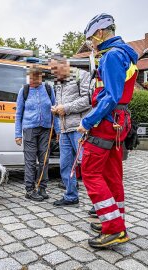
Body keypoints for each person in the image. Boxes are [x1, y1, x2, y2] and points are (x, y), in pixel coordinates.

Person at [77, 13, 139, 248]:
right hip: (118, 122)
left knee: (90, 171)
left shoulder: (111, 56)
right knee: (113, 174)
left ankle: (113, 229)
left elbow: (110, 96)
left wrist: (87, 121)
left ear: (100, 33)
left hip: (105, 121)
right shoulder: (124, 53)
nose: (91, 44)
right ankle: (115, 219)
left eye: (91, 39)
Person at [49, 54, 91, 206]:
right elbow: (61, 106)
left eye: (55, 68)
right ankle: (71, 196)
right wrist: (57, 111)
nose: (53, 72)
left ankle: (97, 202)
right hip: (65, 130)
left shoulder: (81, 76)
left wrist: (65, 108)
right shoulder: (58, 83)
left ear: (65, 64)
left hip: (79, 128)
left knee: (87, 165)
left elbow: (89, 99)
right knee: (65, 165)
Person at [15, 62, 60, 201]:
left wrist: (58, 130)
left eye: (36, 79)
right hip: (29, 129)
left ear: (41, 77)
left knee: (44, 160)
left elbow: (55, 110)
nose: (33, 82)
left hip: (45, 130)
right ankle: (29, 190)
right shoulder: (24, 90)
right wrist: (17, 134)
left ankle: (42, 187)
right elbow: (18, 114)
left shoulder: (48, 88)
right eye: (31, 79)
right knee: (30, 161)